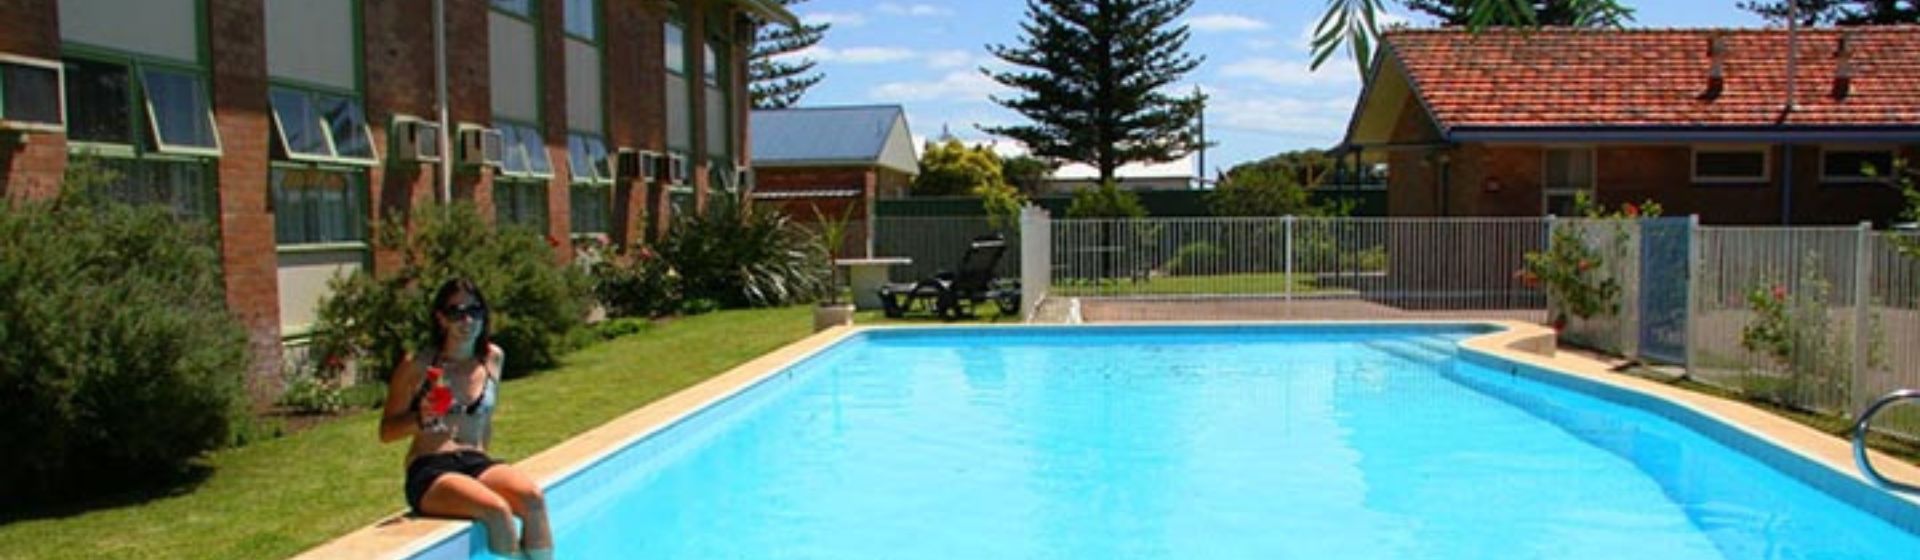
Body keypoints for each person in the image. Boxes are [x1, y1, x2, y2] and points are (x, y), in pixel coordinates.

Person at [381, 279, 552, 559]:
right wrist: (420, 417)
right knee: (496, 510)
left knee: (533, 499)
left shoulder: (492, 358)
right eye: (456, 312)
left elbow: (485, 422)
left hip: (475, 462)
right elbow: (386, 432)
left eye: (474, 311)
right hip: (431, 469)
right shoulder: (418, 365)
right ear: (441, 318)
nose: (467, 320)